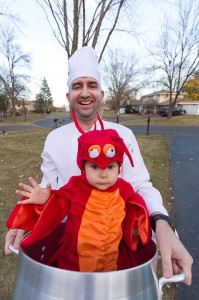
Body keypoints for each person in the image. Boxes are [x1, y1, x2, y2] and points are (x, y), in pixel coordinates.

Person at [5, 46, 192, 283]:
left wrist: (162, 224)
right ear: (68, 96)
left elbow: (140, 186)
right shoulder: (55, 139)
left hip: (114, 242)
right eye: (77, 86)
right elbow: (49, 189)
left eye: (91, 85)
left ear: (101, 94)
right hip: (70, 244)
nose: (85, 93)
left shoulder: (122, 135)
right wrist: (26, 218)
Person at [7, 122, 152, 272]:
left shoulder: (124, 189)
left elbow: (136, 207)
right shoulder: (75, 187)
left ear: (119, 167)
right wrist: (44, 200)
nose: (103, 174)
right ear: (83, 167)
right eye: (94, 167)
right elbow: (58, 203)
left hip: (112, 262)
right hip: (74, 263)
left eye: (110, 167)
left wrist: (136, 225)